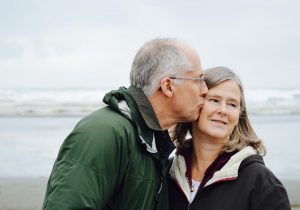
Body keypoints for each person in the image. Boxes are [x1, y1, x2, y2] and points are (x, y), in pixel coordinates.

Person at [42, 38, 208, 210]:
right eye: (198, 80)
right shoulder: (104, 133)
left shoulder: (151, 141)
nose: (205, 90)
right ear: (168, 86)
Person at [168, 67, 291, 210]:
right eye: (214, 100)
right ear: (195, 104)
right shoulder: (168, 172)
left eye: (232, 104)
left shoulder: (260, 181)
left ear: (239, 116)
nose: (223, 110)